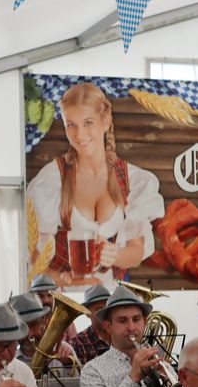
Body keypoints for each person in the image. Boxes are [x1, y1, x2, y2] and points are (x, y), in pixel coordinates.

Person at [27, 82, 164, 288]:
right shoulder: (52, 179)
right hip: (66, 300)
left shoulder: (134, 179)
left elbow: (136, 252)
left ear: (106, 121)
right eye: (71, 125)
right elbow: (35, 258)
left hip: (111, 302)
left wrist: (115, 254)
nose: (80, 135)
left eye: (88, 123)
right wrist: (64, 279)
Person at [27, 274, 78, 342]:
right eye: (40, 296)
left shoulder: (65, 320)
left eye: (49, 295)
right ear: (33, 297)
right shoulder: (28, 321)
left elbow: (75, 345)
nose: (46, 300)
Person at [70, 283, 112, 365]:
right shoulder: (78, 342)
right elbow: (81, 376)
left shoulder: (121, 334)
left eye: (107, 308)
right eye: (99, 309)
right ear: (87, 313)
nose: (104, 312)